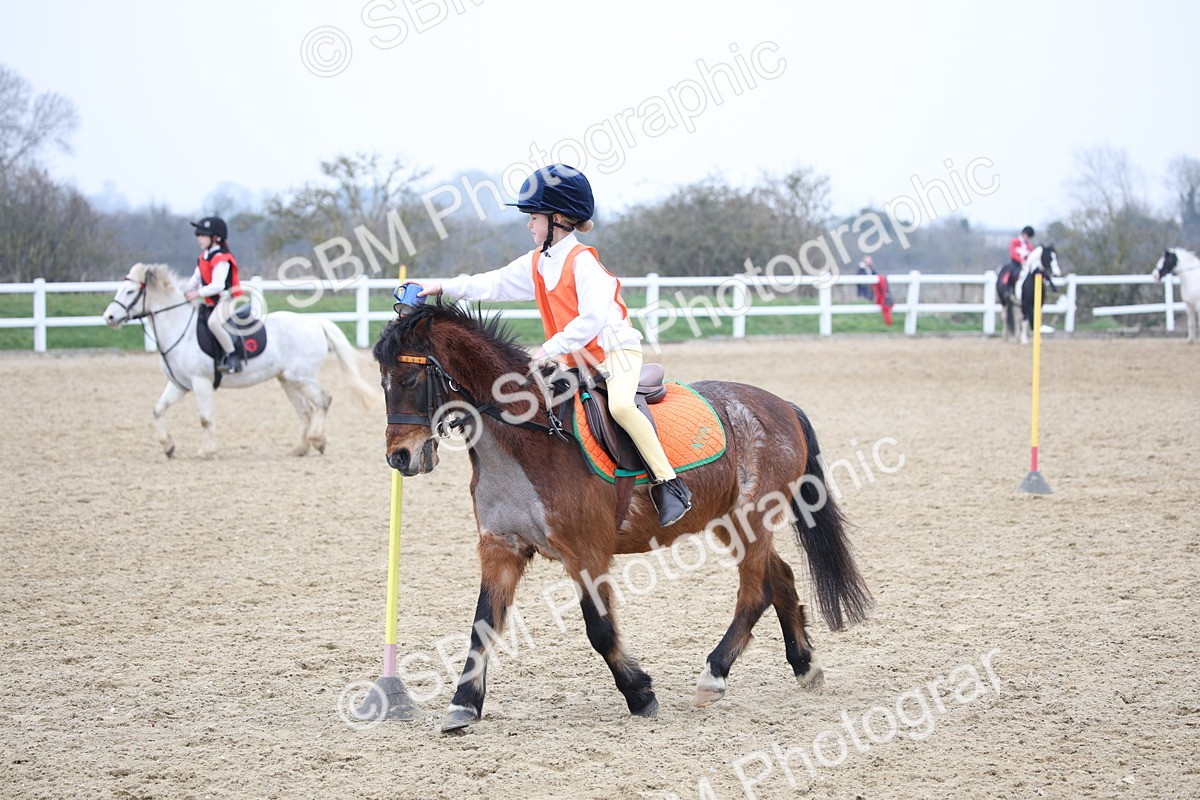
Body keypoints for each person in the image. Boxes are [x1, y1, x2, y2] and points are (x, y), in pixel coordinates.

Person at [414, 164, 693, 527]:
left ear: (557, 219)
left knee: (622, 407)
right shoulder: (538, 262)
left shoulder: (584, 263)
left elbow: (591, 320)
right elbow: (492, 283)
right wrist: (440, 286)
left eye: (534, 217)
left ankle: (670, 484)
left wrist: (550, 348)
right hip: (576, 358)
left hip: (616, 353)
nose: (529, 224)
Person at [184, 216, 244, 374]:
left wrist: (197, 293)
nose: (199, 238)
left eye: (203, 235)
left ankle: (233, 357)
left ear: (216, 238)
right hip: (212, 302)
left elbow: (218, 285)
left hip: (226, 299)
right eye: (198, 235)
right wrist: (181, 291)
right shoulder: (204, 257)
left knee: (213, 323)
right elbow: (194, 280)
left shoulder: (221, 258)